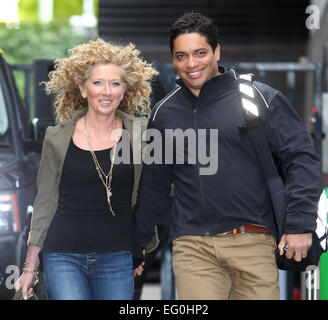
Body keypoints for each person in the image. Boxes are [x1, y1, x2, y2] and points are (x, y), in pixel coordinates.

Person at [133, 12, 322, 300]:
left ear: (217, 51)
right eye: (181, 56)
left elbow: (301, 159)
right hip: (193, 247)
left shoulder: (258, 98)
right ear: (173, 59)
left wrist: (299, 225)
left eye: (200, 53)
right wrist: (137, 248)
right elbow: (153, 187)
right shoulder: (163, 113)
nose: (191, 64)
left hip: (253, 241)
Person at [14, 38, 158, 300]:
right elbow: (45, 202)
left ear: (125, 90)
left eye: (115, 83)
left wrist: (140, 248)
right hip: (63, 255)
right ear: (82, 89)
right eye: (97, 83)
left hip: (117, 256)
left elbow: (148, 196)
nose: (107, 91)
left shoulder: (141, 135)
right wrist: (29, 267)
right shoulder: (56, 138)